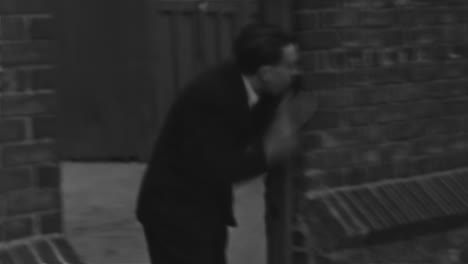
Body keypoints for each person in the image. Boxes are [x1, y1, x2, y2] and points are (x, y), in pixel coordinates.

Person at [135, 22, 301, 264]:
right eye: (290, 66)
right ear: (266, 73)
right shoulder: (211, 98)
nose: (296, 73)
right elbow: (221, 168)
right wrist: (270, 151)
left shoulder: (258, 84)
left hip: (207, 209)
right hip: (174, 213)